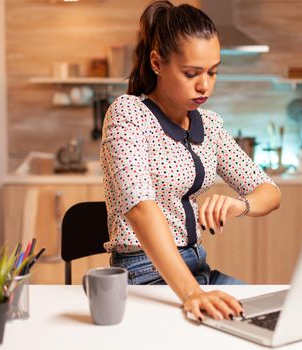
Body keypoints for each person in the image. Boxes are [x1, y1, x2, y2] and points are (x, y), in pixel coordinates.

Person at [100, 0, 281, 322]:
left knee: (270, 317)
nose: (205, 85)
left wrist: (240, 205)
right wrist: (192, 293)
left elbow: (269, 191)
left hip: (198, 267)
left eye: (213, 72)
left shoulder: (208, 124)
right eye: (191, 73)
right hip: (146, 275)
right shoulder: (129, 113)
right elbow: (140, 207)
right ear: (157, 62)